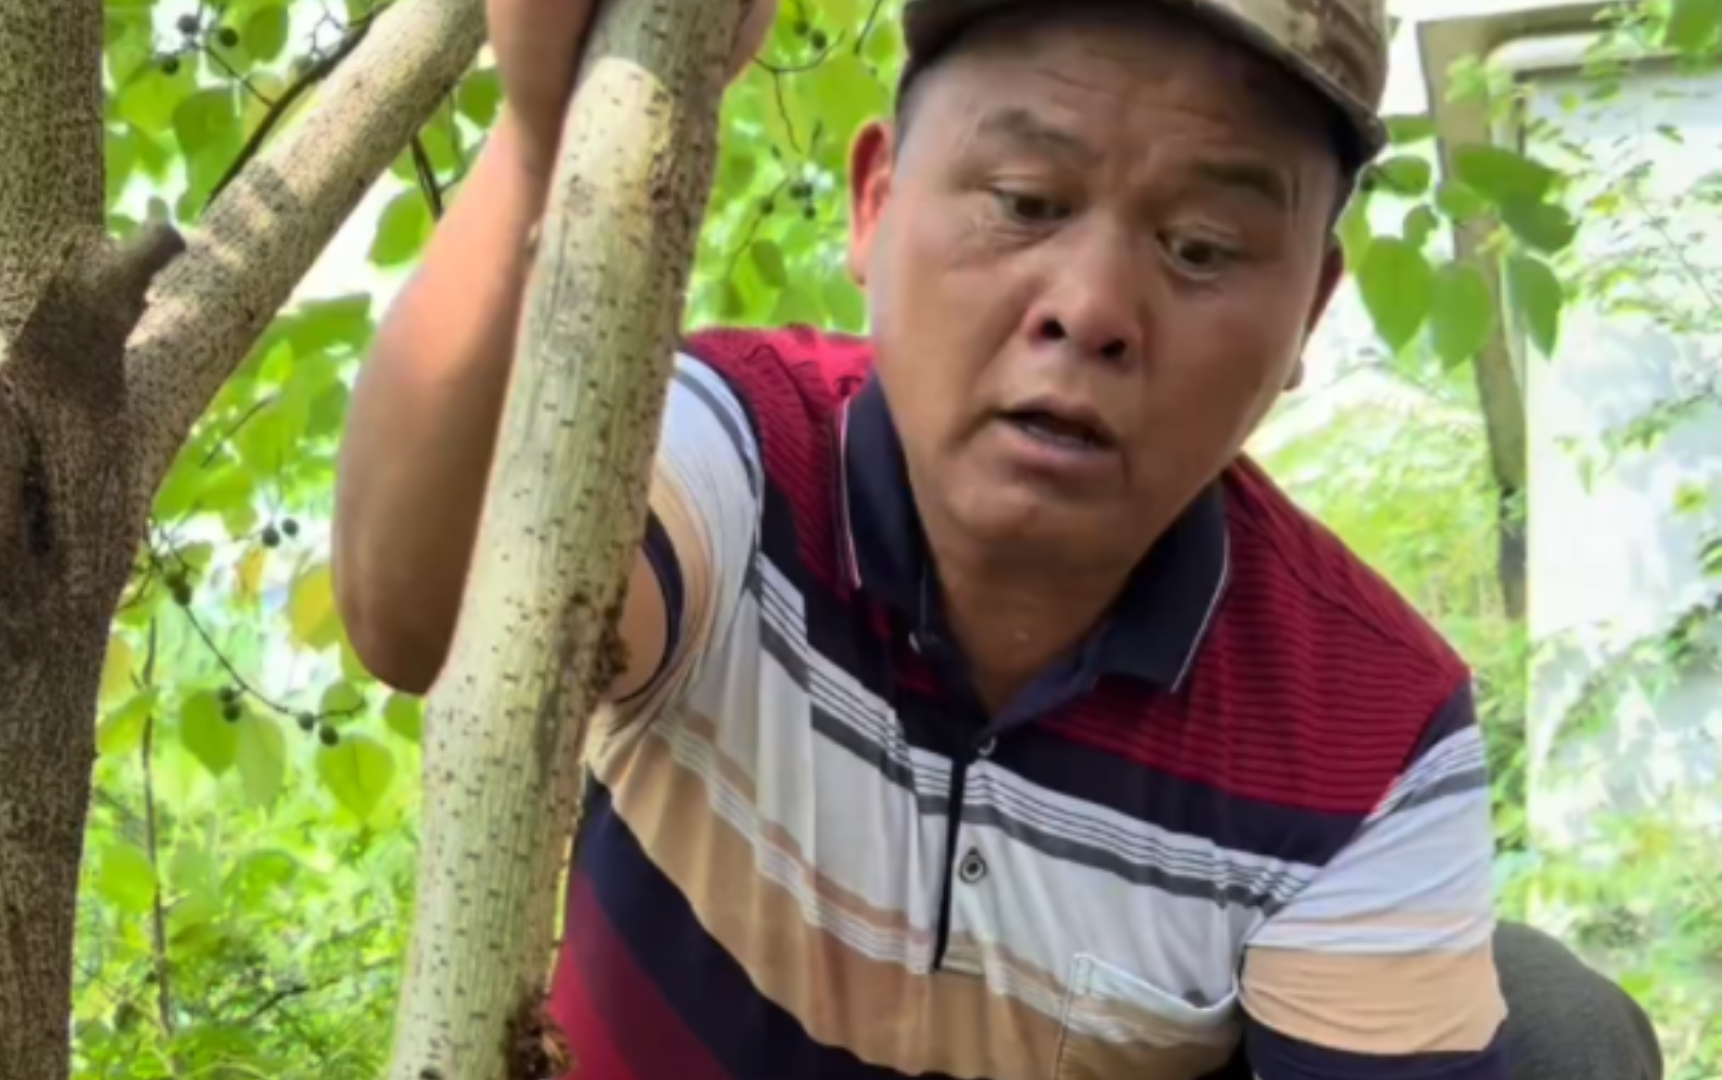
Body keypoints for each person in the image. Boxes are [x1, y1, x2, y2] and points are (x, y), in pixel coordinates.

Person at [332, 0, 1666, 1077]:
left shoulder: (1370, 723)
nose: (1090, 308)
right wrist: (547, 140)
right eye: (1025, 201)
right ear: (874, 206)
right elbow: (426, 614)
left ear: (1309, 311)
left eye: (1202, 247)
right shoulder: (728, 455)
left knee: (1548, 1029)